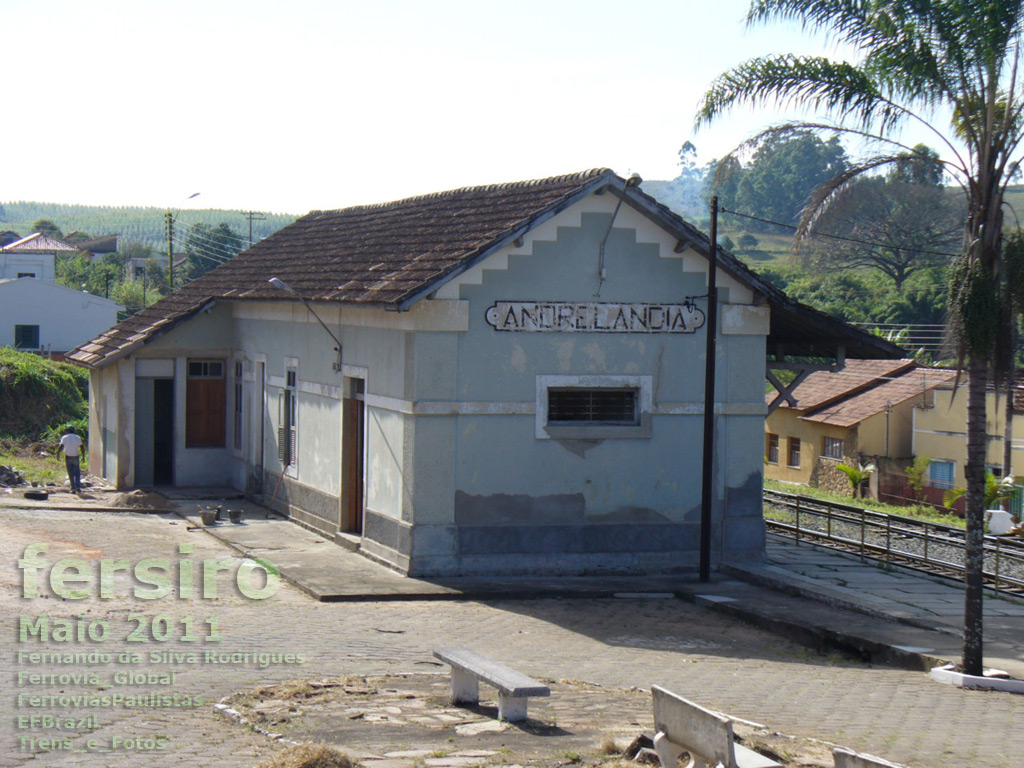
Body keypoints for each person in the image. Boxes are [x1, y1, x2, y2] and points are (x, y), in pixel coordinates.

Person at [57, 425, 83, 494]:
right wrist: (83, 456)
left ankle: (73, 488)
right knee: (77, 473)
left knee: (70, 473)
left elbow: (61, 446)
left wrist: (58, 454)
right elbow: (82, 447)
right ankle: (78, 487)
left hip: (68, 457)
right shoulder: (77, 437)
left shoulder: (64, 437)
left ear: (68, 430)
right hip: (76, 456)